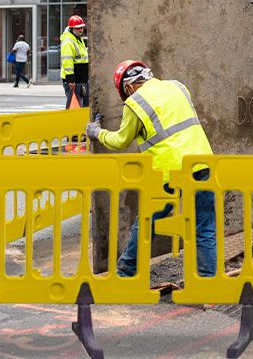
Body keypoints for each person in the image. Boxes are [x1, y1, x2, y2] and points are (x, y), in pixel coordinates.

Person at [85, 61, 217, 278]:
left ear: (128, 88)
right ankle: (208, 281)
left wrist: (96, 132)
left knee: (147, 223)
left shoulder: (135, 102)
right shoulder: (177, 86)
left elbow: (121, 140)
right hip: (202, 163)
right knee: (204, 225)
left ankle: (126, 272)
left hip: (169, 171)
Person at [60, 16, 89, 108]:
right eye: (78, 28)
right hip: (74, 82)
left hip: (81, 80)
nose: (80, 30)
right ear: (71, 28)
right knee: (74, 107)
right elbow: (67, 62)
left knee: (84, 107)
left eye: (81, 27)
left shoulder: (78, 40)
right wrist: (71, 80)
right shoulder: (68, 42)